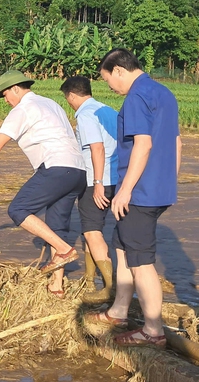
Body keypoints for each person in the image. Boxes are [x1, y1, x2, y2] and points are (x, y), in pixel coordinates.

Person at [0, 70, 86, 297]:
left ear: (16, 89)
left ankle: (64, 250)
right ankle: (57, 286)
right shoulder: (51, 104)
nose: (6, 101)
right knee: (57, 226)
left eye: (5, 95)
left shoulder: (22, 109)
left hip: (56, 166)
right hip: (78, 171)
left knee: (18, 209)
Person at [85, 49, 181, 349]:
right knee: (122, 245)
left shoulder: (137, 96)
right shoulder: (163, 93)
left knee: (141, 261)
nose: (111, 88)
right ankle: (119, 311)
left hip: (140, 191)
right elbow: (177, 141)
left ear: (119, 70)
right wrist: (168, 181)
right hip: (158, 188)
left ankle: (153, 331)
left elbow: (143, 144)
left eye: (108, 80)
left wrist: (125, 189)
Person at [61, 76, 118, 303]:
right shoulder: (108, 110)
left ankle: (110, 288)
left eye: (68, 99)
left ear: (72, 95)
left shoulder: (85, 115)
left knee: (93, 231)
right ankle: (88, 277)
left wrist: (97, 183)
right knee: (89, 228)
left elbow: (97, 148)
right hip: (117, 177)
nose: (69, 103)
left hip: (98, 179)